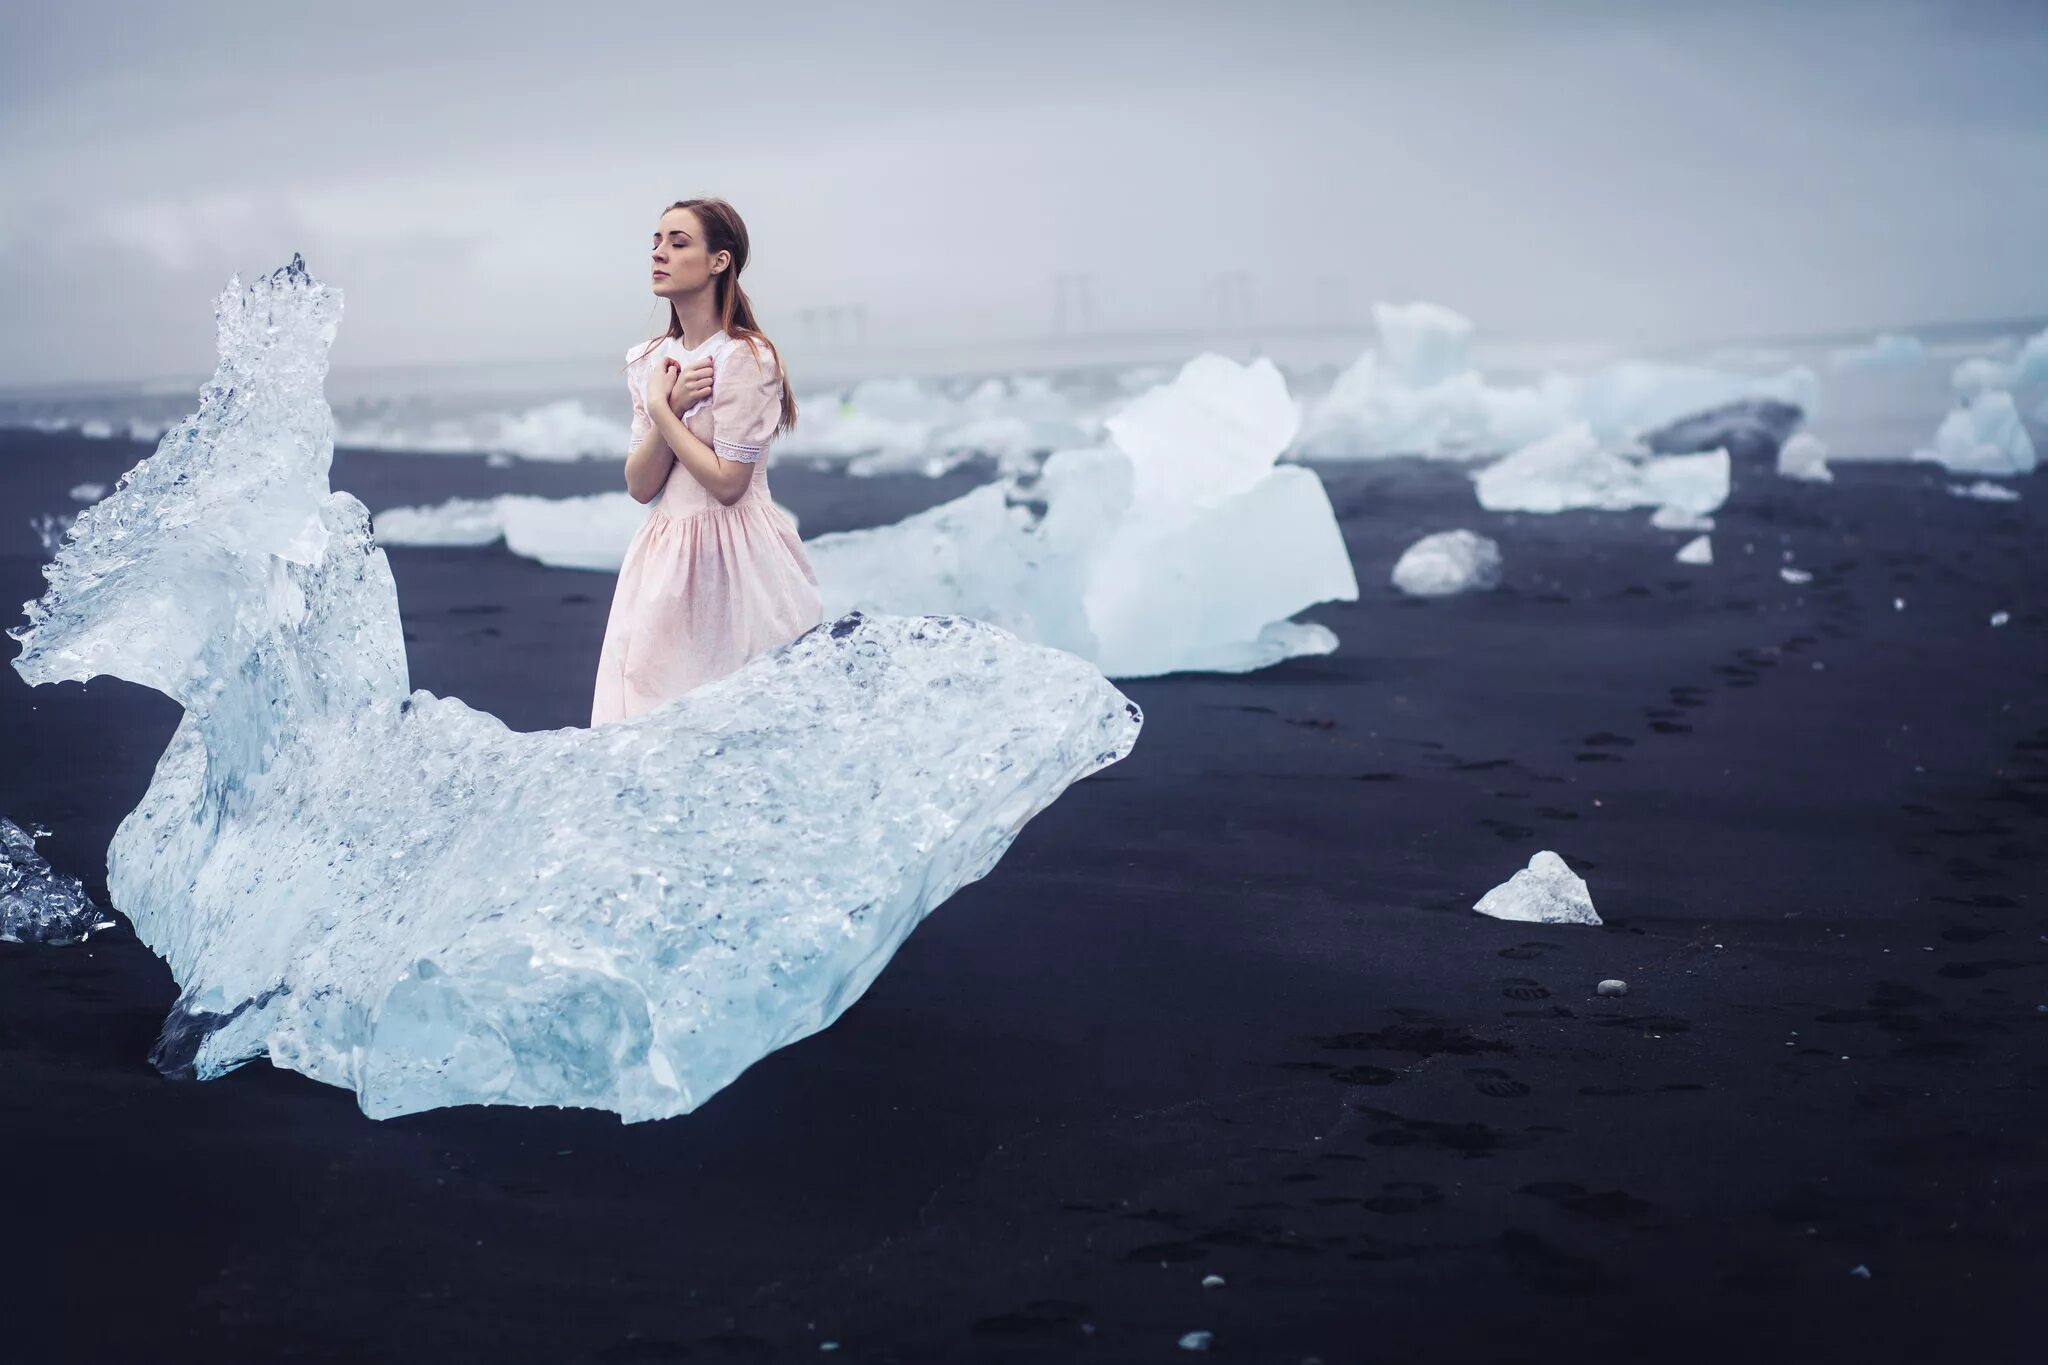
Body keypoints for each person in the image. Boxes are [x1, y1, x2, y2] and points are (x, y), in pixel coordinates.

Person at [590, 198, 824, 724]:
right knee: (651, 712)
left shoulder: (745, 356)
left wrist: (662, 413)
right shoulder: (648, 359)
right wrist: (665, 404)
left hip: (735, 555)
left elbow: (728, 484)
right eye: (656, 241)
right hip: (663, 557)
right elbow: (640, 484)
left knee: (733, 717)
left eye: (678, 242)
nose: (659, 254)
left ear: (719, 261)